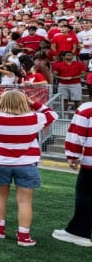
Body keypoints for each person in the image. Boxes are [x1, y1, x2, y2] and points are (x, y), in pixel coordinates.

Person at [0, 89, 57, 246]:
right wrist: (33, 103)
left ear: (1, 101)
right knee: (25, 202)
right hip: (26, 163)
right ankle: (24, 236)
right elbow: (52, 114)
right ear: (24, 101)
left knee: (0, 196)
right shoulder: (35, 117)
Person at [54, 98, 92, 247]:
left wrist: (72, 155)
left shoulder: (87, 108)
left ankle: (79, 232)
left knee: (86, 195)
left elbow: (76, 135)